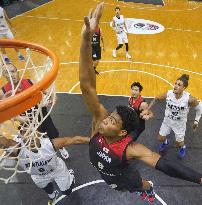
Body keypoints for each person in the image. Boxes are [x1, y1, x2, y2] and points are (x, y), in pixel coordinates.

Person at [79, 3, 202, 203]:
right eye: (109, 117)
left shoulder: (131, 149)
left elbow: (166, 166)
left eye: (111, 121)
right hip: (106, 175)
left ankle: (148, 189)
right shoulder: (99, 121)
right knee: (118, 185)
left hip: (126, 178)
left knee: (139, 186)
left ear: (121, 133)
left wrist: (199, 179)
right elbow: (87, 86)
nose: (104, 122)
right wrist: (85, 41)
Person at [0, 63, 70, 159]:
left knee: (53, 135)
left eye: (13, 71)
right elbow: (4, 112)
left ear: (18, 72)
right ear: (3, 76)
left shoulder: (29, 82)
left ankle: (61, 148)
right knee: (32, 142)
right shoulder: (3, 92)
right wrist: (18, 118)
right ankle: (41, 158)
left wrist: (52, 98)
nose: (11, 75)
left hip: (40, 114)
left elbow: (48, 92)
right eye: (7, 73)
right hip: (25, 120)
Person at [0, 133, 90, 205]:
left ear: (39, 134)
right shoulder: (18, 149)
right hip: (38, 176)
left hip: (56, 170)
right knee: (46, 188)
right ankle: (52, 195)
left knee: (67, 191)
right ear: (22, 137)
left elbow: (74, 139)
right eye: (27, 135)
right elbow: (4, 142)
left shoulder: (50, 144)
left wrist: (93, 141)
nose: (31, 138)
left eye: (33, 134)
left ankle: (70, 176)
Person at [148, 74, 202, 159]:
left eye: (179, 85)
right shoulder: (169, 94)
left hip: (179, 124)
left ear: (184, 88)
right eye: (175, 83)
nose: (175, 86)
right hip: (167, 122)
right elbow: (157, 98)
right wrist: (148, 108)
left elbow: (199, 109)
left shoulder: (189, 99)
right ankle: (166, 142)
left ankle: (183, 147)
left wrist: (196, 121)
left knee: (178, 144)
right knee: (160, 138)